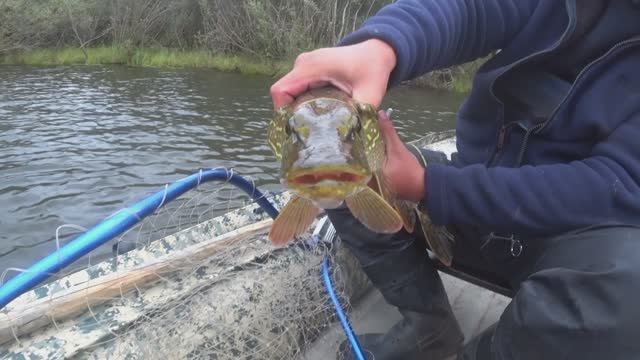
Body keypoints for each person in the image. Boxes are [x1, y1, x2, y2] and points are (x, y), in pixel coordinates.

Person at [270, 0, 640, 359]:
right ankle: (429, 327)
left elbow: (617, 184)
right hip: (473, 187)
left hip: (580, 239)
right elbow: (469, 8)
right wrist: (381, 47)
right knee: (359, 179)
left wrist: (430, 187)